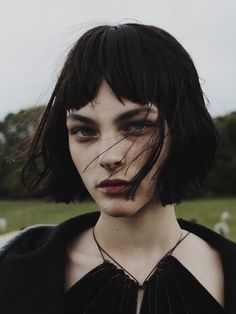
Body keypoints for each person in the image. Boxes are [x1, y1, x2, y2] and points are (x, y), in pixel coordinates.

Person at [0, 23, 235, 314]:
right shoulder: (13, 272)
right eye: (85, 131)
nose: (108, 157)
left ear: (183, 129)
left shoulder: (226, 274)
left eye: (137, 126)